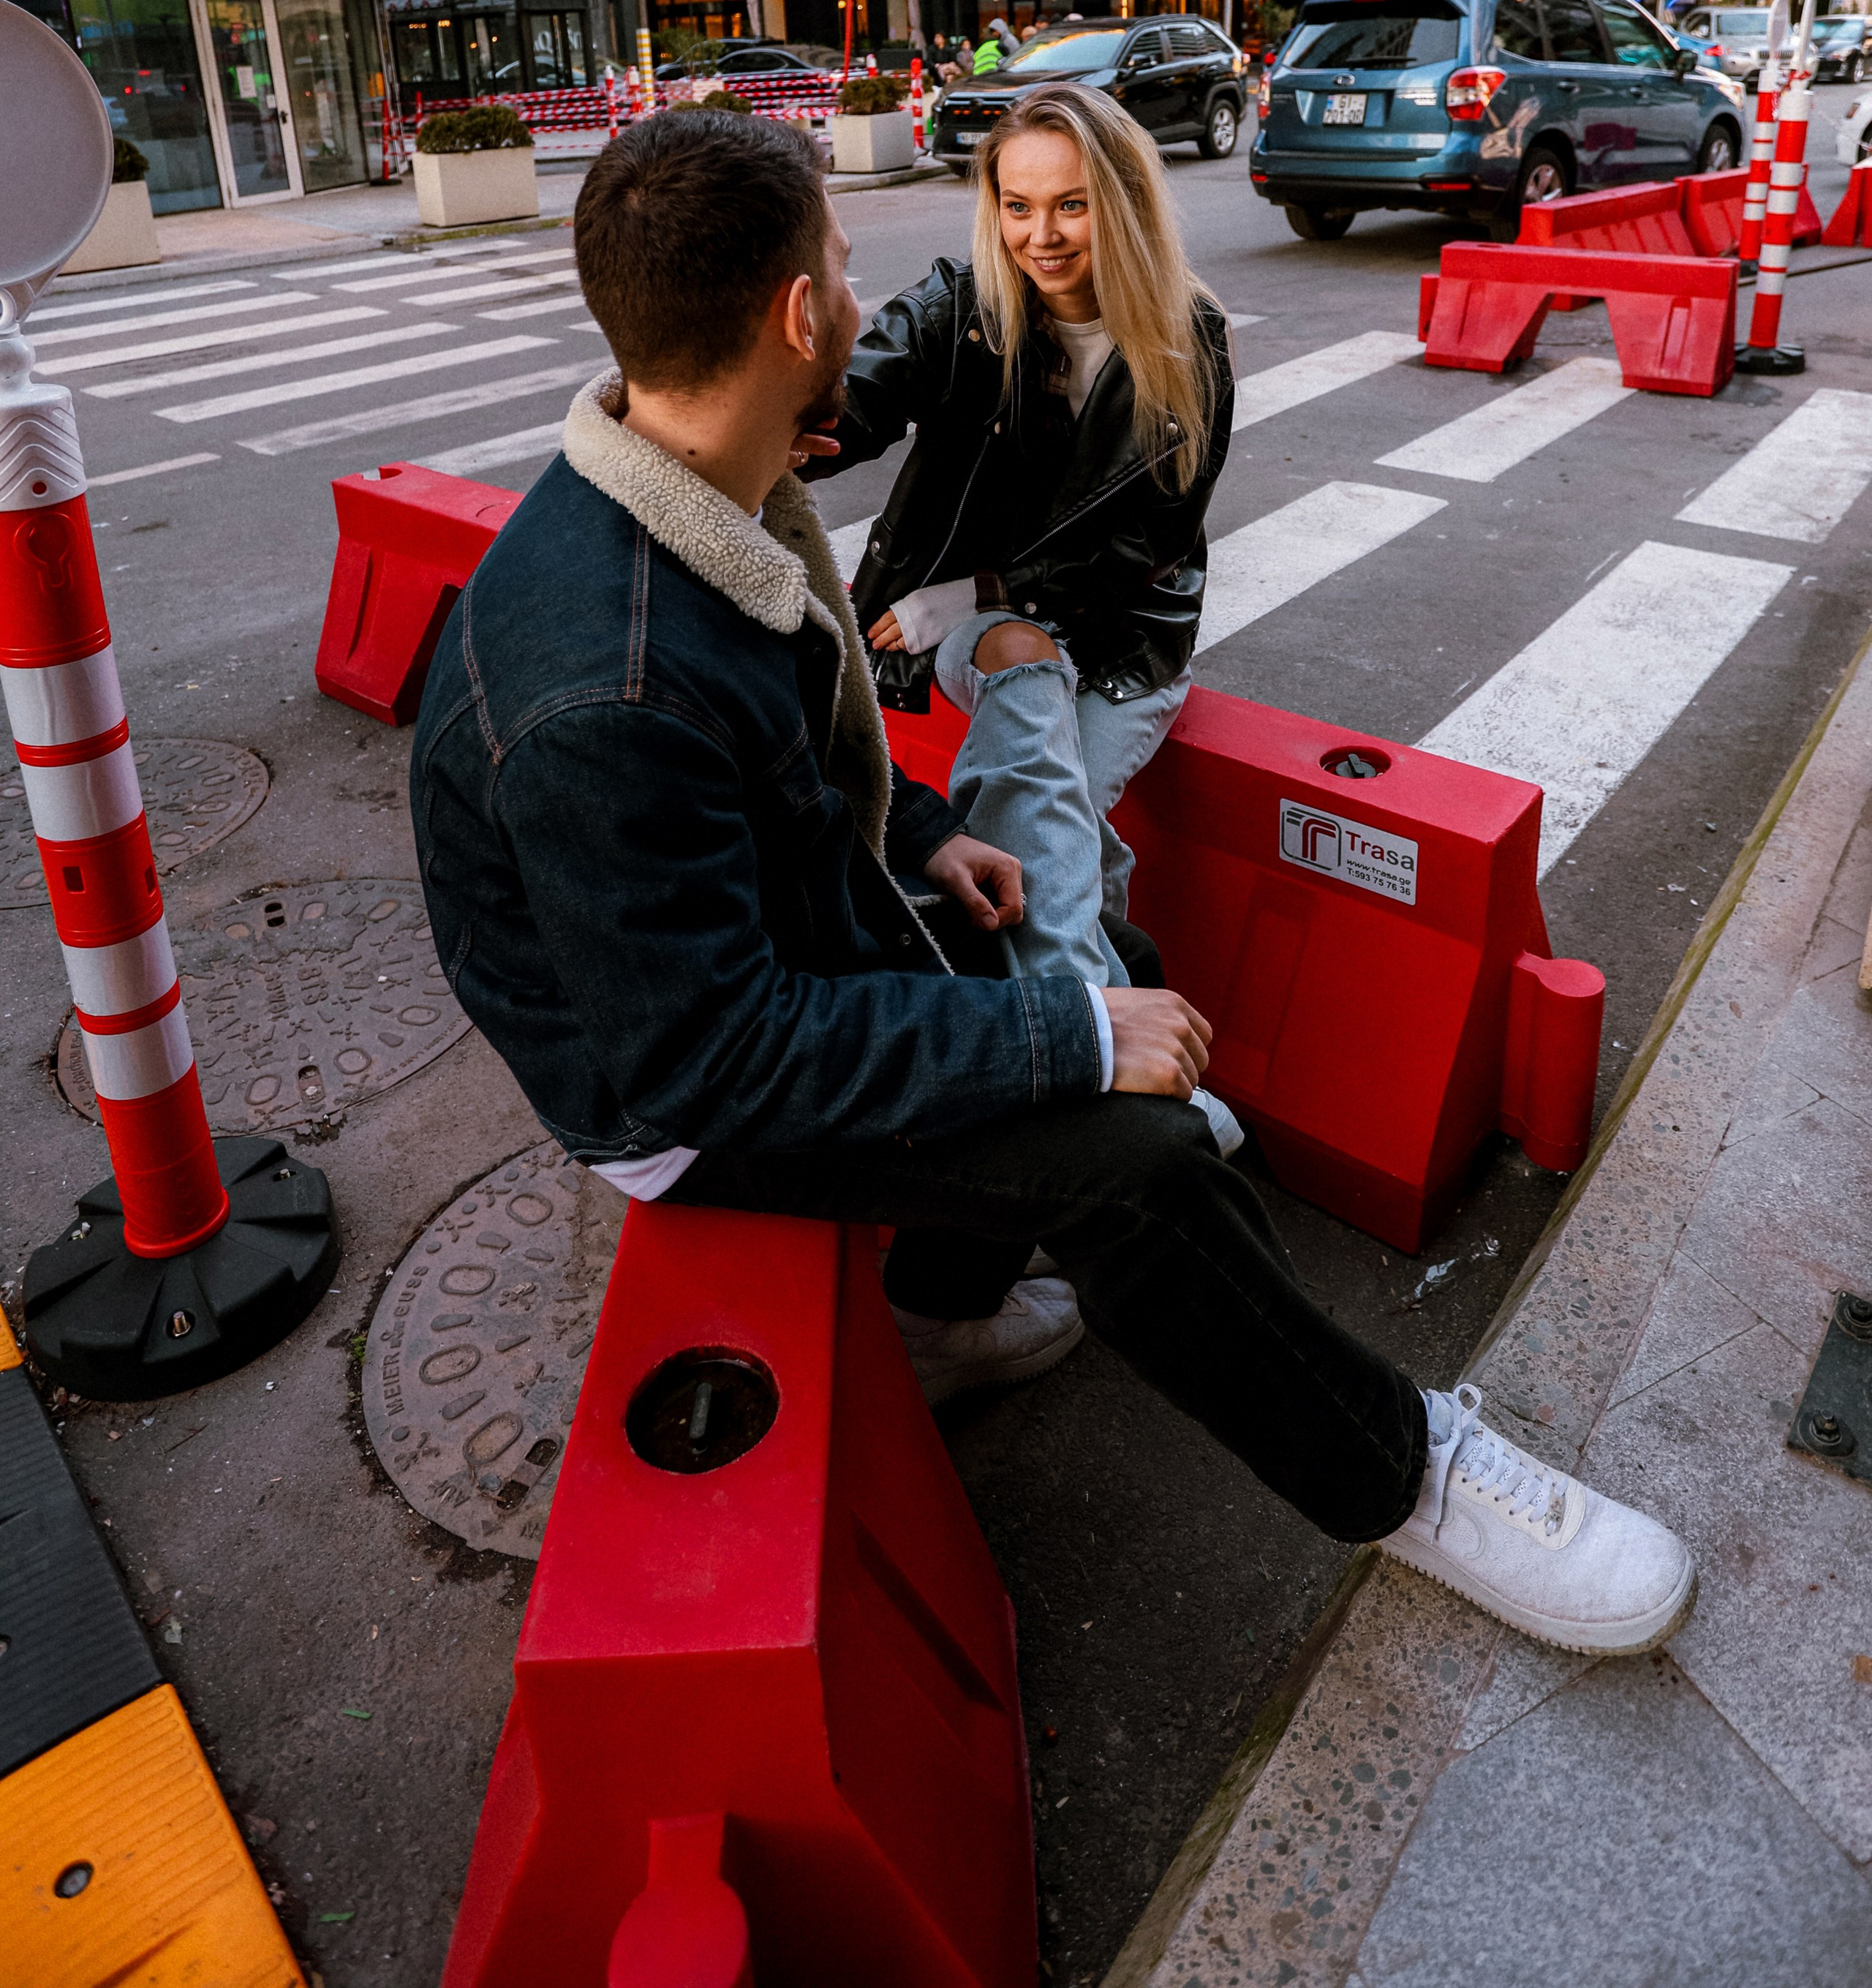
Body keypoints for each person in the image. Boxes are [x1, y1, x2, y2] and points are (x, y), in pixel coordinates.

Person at [410, 108, 1696, 1660]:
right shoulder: (604, 677)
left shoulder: (685, 488)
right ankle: (1404, 1474)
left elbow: (774, 775)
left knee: (1108, 936)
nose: (877, 287)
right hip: (677, 1103)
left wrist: (923, 839)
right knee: (1127, 1161)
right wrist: (1070, 1048)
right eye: (840, 262)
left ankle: (943, 1317)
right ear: (800, 317)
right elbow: (710, 1060)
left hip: (773, 951)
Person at [815, 83, 1232, 990]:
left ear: (1119, 204)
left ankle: (1086, 1010)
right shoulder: (963, 308)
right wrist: (758, 423)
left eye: (1070, 205)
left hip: (1126, 630)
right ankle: (1104, 1034)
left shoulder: (1188, 337)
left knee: (1055, 816)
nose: (1039, 235)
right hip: (979, 623)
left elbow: (1147, 546)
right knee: (1022, 676)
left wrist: (970, 592)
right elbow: (856, 395)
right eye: (1017, 206)